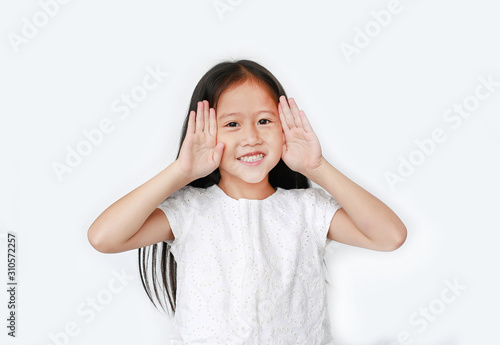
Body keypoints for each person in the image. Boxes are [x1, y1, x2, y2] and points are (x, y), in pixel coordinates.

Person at [87, 59, 407, 344]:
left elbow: (389, 236)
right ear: (204, 131)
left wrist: (316, 167)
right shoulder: (188, 211)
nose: (251, 136)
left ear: (284, 126)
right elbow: (104, 238)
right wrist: (181, 171)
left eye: (265, 121)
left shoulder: (308, 209)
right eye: (232, 124)